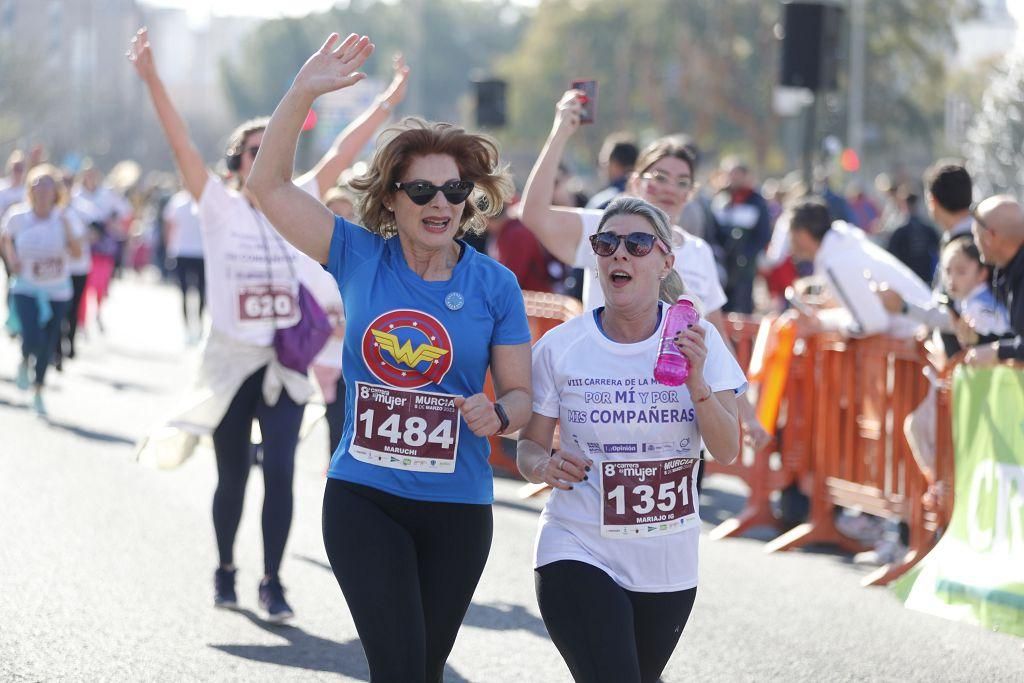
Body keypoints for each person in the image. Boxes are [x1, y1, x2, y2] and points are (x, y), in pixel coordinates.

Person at [247, 32, 533, 681]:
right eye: (424, 191)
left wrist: (500, 412)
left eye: (456, 192)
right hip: (364, 498)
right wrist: (303, 90)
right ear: (392, 198)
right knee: (399, 667)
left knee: (421, 671)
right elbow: (267, 186)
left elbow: (520, 398)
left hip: (459, 509)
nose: (441, 204)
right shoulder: (356, 255)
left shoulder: (495, 286)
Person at [129, 27, 410, 624]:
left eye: (272, 146)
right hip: (233, 361)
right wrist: (153, 79)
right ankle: (226, 568)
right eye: (255, 149)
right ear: (237, 165)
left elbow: (342, 153)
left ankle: (272, 580)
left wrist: (386, 104)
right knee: (232, 475)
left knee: (280, 473)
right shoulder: (216, 204)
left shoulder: (299, 193)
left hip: (288, 362)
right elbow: (179, 143)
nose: (267, 154)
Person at [517, 196, 745, 683]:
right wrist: (543, 466)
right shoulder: (562, 347)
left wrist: (697, 381)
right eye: (607, 243)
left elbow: (726, 449)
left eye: (638, 244)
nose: (620, 253)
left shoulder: (699, 342)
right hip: (576, 543)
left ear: (665, 262)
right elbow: (528, 449)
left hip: (666, 559)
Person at [520, 89, 770, 451]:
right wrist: (561, 131)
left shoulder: (697, 252)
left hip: (677, 415)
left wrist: (744, 413)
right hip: (607, 407)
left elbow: (716, 337)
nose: (670, 188)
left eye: (682, 181)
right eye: (660, 177)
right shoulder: (603, 229)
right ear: (636, 181)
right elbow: (534, 215)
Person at [0, 164, 84, 416]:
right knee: (32, 336)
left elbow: (78, 253)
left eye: (49, 184)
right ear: (30, 188)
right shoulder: (18, 216)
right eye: (38, 183)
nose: (43, 189)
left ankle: (38, 389)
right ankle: (26, 358)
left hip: (57, 290)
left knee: (48, 345)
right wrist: (11, 258)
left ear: (56, 191)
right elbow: (5, 237)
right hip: (26, 286)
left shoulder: (66, 218)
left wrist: (67, 228)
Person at [786, 197, 931, 338]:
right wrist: (822, 322)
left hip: (921, 340)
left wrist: (832, 328)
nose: (790, 244)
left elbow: (872, 323)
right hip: (924, 331)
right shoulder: (841, 247)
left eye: (791, 235)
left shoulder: (835, 261)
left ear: (802, 235)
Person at [709, 157, 773, 314]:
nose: (732, 178)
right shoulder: (720, 199)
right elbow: (713, 230)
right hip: (722, 265)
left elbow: (763, 234)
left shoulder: (757, 201)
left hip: (744, 268)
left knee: (742, 307)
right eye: (729, 174)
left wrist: (746, 255)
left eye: (736, 174)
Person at [965, 195, 1024, 365]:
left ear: (990, 236)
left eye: (976, 235)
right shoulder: (1011, 269)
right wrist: (981, 340)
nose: (974, 242)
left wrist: (999, 351)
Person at [162, 186, 206, 343]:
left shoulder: (205, 198)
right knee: (184, 293)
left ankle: (200, 325)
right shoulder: (177, 201)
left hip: (202, 253)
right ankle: (188, 328)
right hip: (182, 252)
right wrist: (169, 248)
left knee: (202, 293)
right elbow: (168, 225)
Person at [486, 201, 557, 293]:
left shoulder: (515, 234)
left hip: (537, 299)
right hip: (528, 297)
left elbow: (510, 278)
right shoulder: (509, 229)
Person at [886, 187, 939, 284]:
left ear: (904, 205)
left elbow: (891, 257)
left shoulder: (899, 232)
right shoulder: (927, 229)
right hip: (927, 279)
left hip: (907, 280)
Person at [585, 132, 638, 210]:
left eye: (604, 162)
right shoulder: (647, 200)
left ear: (615, 164)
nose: (601, 168)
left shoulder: (602, 202)